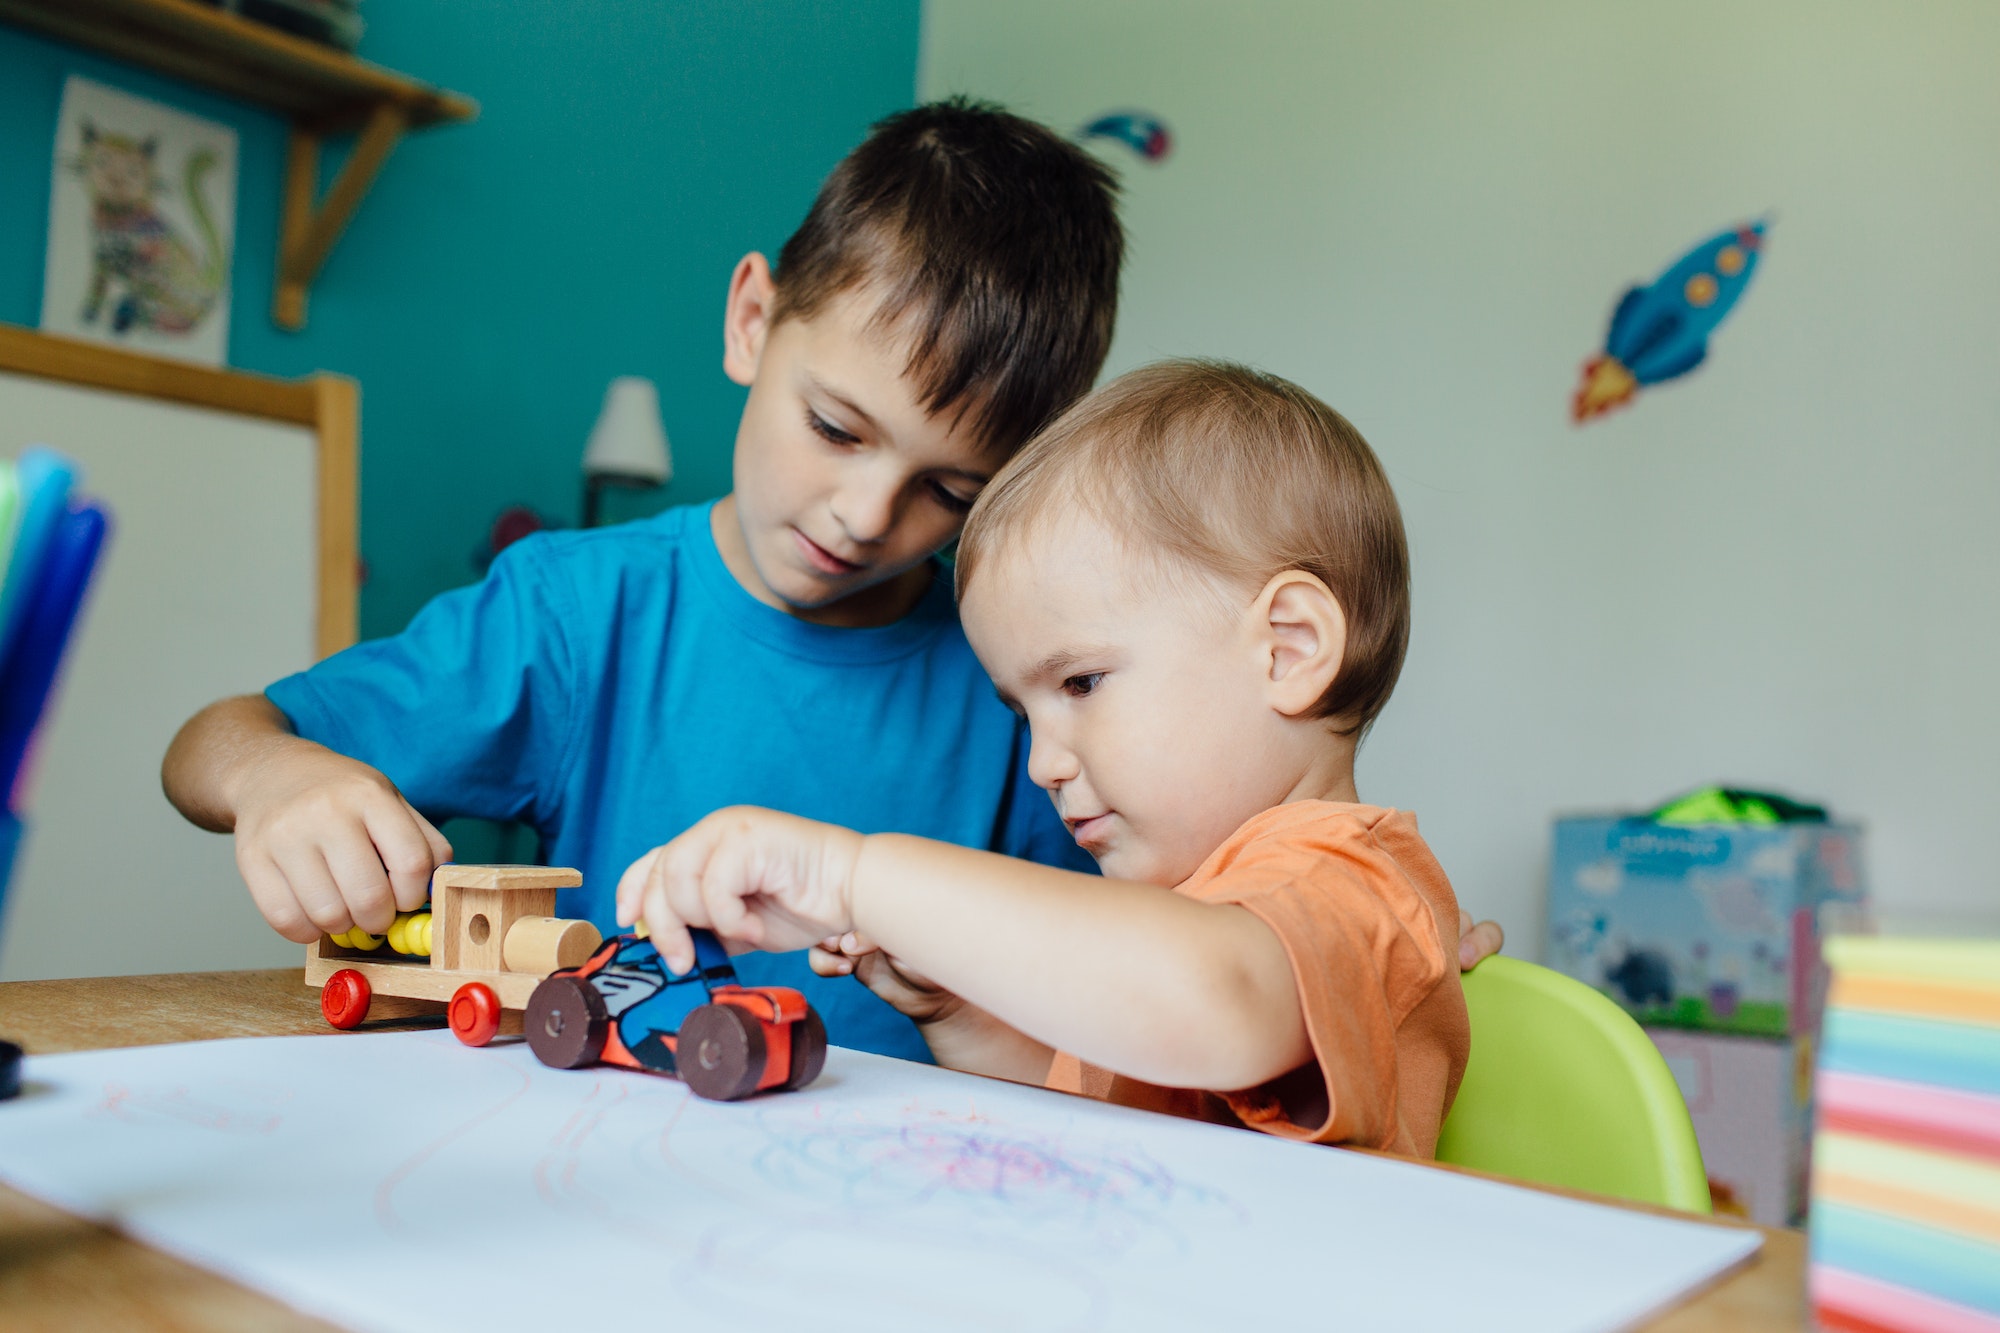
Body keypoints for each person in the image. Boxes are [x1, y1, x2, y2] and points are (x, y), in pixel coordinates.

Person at [160, 99, 1123, 1063]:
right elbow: (214, 742)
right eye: (835, 429)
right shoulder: (578, 613)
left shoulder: (1018, 680)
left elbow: (1101, 1004)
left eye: (950, 490)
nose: (867, 516)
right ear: (752, 320)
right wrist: (272, 778)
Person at [619, 361, 1470, 1155]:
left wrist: (854, 876)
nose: (1043, 765)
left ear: (1288, 649)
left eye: (1083, 681)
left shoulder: (1356, 886)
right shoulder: (1186, 922)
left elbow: (1212, 998)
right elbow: (1095, 1122)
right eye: (1023, 713)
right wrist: (959, 1012)